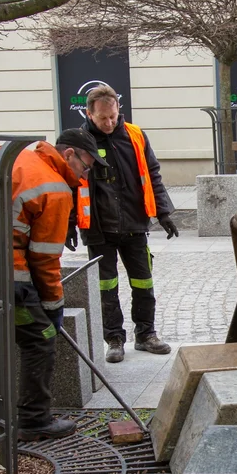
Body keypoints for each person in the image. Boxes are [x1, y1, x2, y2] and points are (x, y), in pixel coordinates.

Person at [0, 128, 107, 441]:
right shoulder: (55, 188)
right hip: (7, 279)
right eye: (86, 166)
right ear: (68, 155)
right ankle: (34, 420)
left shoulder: (10, 155)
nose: (85, 174)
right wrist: (54, 308)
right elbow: (44, 261)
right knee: (41, 337)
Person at [73, 83, 178, 363]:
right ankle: (114, 339)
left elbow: (151, 174)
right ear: (89, 113)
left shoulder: (135, 135)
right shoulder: (79, 141)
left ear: (119, 109)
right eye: (102, 118)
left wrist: (163, 212)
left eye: (113, 116)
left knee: (143, 283)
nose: (109, 123)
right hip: (98, 229)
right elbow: (69, 185)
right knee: (106, 287)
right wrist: (69, 224)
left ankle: (146, 335)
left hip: (134, 224)